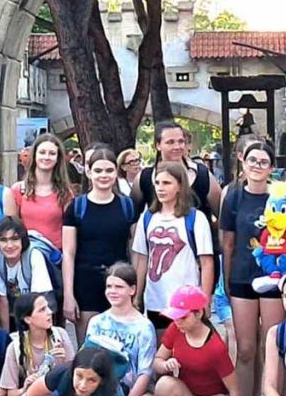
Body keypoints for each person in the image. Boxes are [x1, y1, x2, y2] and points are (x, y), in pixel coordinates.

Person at [219, 139, 285, 396]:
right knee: (245, 349)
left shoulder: (281, 195)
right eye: (252, 160)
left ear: (271, 167)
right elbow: (228, 242)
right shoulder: (233, 195)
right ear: (243, 163)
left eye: (263, 162)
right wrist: (227, 280)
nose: (257, 166)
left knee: (272, 347)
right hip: (242, 277)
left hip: (273, 278)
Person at [151, 284, 248, 396]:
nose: (178, 322)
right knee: (164, 384)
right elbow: (157, 360)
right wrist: (165, 365)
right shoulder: (175, 329)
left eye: (183, 317)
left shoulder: (215, 347)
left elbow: (234, 389)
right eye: (175, 317)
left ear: (198, 313)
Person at [63, 147, 134, 342]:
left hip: (120, 283)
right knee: (89, 347)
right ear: (88, 172)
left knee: (120, 346)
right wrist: (69, 295)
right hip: (86, 284)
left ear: (116, 172)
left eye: (109, 170)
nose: (104, 175)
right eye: (98, 170)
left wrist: (136, 289)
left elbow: (135, 250)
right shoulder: (76, 207)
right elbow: (68, 253)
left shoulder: (127, 206)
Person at [132, 160, 215, 328]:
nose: (160, 188)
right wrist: (137, 296)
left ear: (180, 186)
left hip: (186, 298)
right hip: (155, 299)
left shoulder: (195, 218)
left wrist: (204, 300)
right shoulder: (147, 218)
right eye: (157, 183)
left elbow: (206, 262)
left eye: (167, 183)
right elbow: (142, 258)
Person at [84, 263, 158, 396]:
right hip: (102, 389)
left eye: (119, 287)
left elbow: (145, 371)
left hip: (133, 388)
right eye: (109, 286)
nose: (112, 291)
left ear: (132, 290)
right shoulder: (96, 322)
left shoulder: (144, 327)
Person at [1, 292, 76, 396]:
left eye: (48, 307)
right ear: (28, 319)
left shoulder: (60, 335)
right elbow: (10, 395)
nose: (49, 312)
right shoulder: (15, 347)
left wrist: (65, 364)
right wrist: (25, 389)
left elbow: (76, 378)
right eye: (42, 310)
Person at [133, 121, 221, 224]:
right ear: (158, 145)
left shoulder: (202, 175)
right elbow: (133, 218)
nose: (177, 146)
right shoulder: (144, 178)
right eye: (170, 142)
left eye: (181, 141)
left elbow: (223, 216)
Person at [0, 216, 55, 329]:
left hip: (42, 310)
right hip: (15, 312)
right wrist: (6, 335)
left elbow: (38, 301)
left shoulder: (34, 256)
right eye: (3, 240)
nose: (9, 245)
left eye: (15, 239)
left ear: (22, 240)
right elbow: (3, 300)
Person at [14, 132, 73, 250]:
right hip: (27, 253)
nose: (46, 157)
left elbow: (69, 232)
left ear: (58, 158)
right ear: (34, 155)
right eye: (42, 152)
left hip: (55, 254)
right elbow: (12, 229)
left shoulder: (65, 193)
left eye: (52, 153)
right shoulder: (18, 190)